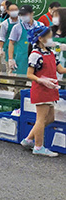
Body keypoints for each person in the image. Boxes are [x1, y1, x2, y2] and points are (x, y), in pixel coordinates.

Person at [20, 25, 66, 157]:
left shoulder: (51, 53)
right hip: (41, 90)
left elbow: (61, 70)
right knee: (41, 118)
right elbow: (29, 74)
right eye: (49, 37)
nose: (52, 39)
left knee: (50, 118)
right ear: (40, 38)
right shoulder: (35, 54)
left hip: (51, 89)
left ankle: (29, 139)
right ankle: (38, 146)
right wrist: (41, 80)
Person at [8, 5, 43, 96]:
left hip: (38, 61)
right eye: (22, 15)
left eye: (26, 14)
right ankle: (17, 108)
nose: (24, 16)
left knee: (38, 88)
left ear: (32, 14)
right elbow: (11, 43)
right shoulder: (17, 28)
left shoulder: (41, 26)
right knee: (19, 89)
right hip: (21, 61)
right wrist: (11, 59)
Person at [0, 3, 19, 89]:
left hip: (21, 51)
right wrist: (1, 49)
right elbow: (2, 37)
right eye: (12, 10)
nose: (14, 12)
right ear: (8, 12)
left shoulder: (22, 22)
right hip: (9, 50)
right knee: (11, 72)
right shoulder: (5, 24)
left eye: (16, 10)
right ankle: (12, 91)